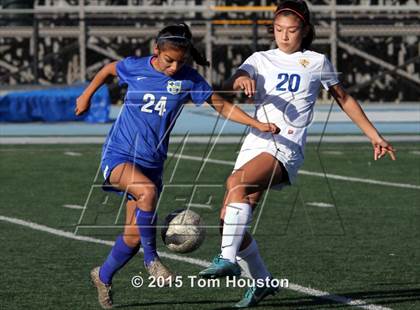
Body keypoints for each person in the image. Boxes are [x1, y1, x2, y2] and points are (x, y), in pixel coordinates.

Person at [198, 0, 396, 308]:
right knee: (229, 223)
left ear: (305, 30)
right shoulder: (260, 58)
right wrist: (240, 79)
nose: (285, 36)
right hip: (255, 141)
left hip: (286, 145)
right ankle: (261, 280)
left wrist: (374, 135)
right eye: (279, 30)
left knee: (236, 184)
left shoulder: (316, 61)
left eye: (292, 30)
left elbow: (343, 98)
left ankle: (227, 260)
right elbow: (238, 77)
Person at [75, 23, 279, 309]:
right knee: (146, 193)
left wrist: (256, 124)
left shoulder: (188, 79)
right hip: (119, 154)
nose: (173, 67)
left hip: (153, 163)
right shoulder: (135, 67)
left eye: (180, 62)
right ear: (156, 50)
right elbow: (109, 69)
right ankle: (152, 261)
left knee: (133, 237)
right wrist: (86, 95)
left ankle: (103, 275)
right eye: (169, 60)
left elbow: (221, 105)